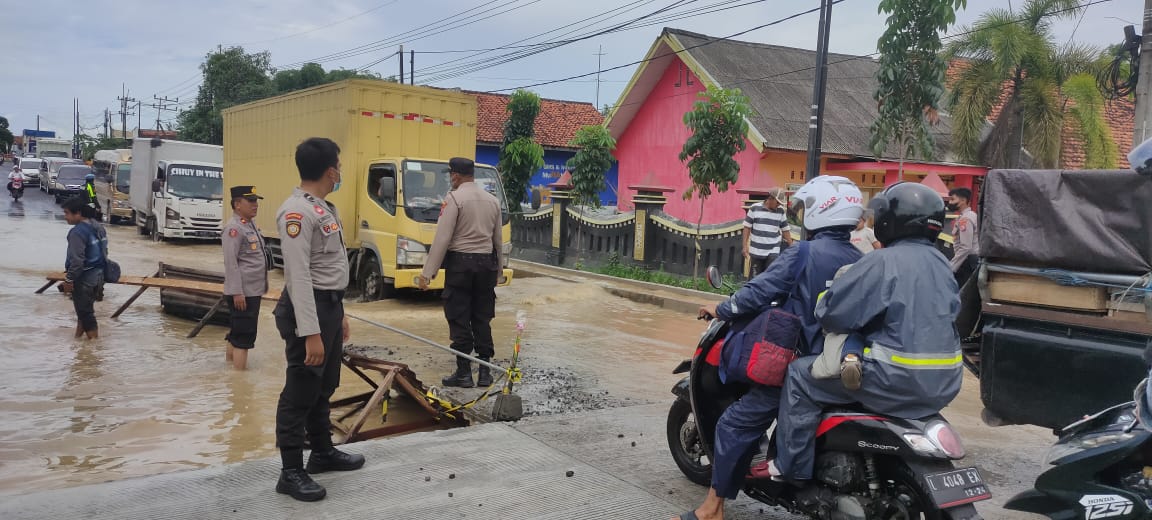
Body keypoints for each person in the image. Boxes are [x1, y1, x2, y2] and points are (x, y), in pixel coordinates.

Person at [677, 176, 864, 520]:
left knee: (734, 424)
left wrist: (722, 308)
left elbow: (759, 292)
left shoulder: (803, 253)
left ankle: (712, 509)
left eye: (807, 208)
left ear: (821, 211)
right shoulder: (861, 258)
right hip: (845, 365)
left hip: (803, 366)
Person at [768, 182, 963, 483]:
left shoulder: (882, 261)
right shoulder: (943, 265)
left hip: (894, 380)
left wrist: (824, 304)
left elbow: (834, 314)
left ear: (888, 221)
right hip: (944, 383)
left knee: (799, 375)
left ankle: (791, 468)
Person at [272, 137, 362, 502]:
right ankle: (291, 471)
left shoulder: (324, 208)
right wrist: (310, 332)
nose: (340, 171)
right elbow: (298, 276)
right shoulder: (297, 212)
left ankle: (322, 452)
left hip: (328, 307)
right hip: (305, 310)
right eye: (339, 165)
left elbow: (329, 270)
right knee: (300, 389)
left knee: (324, 385)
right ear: (330, 171)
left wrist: (338, 314)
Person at [418, 157, 504, 388]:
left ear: (455, 175)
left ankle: (464, 373)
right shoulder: (493, 201)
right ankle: (485, 373)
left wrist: (428, 273)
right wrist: (500, 271)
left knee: (459, 316)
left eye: (450, 175)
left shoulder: (454, 199)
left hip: (461, 265)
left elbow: (443, 238)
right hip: (486, 265)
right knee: (482, 317)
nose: (450, 179)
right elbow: (498, 241)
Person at [222, 185, 269, 371]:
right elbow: (231, 262)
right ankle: (239, 383)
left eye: (256, 200)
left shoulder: (248, 225)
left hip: (250, 291)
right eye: (250, 201)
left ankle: (230, 373)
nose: (255, 204)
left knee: (236, 334)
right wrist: (237, 292)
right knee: (244, 338)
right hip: (243, 294)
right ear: (237, 204)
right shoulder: (234, 228)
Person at [61, 195, 108, 340]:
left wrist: (68, 280)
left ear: (78, 213)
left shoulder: (77, 232)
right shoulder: (98, 226)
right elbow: (104, 252)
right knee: (84, 311)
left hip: (84, 279)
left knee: (86, 315)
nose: (65, 217)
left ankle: (93, 351)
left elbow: (77, 262)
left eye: (67, 213)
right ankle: (78, 342)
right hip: (99, 276)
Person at [742, 187, 793, 277]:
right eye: (777, 202)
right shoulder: (754, 208)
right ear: (770, 198)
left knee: (770, 278)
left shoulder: (781, 211)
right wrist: (744, 246)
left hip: (773, 251)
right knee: (755, 279)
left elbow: (785, 230)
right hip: (756, 251)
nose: (778, 205)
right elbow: (747, 228)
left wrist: (792, 246)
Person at [947, 187, 979, 288]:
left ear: (963, 201)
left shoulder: (966, 219)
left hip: (967, 263)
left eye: (953, 199)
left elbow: (965, 247)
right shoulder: (970, 216)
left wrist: (951, 267)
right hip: (969, 261)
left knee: (960, 295)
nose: (950, 202)